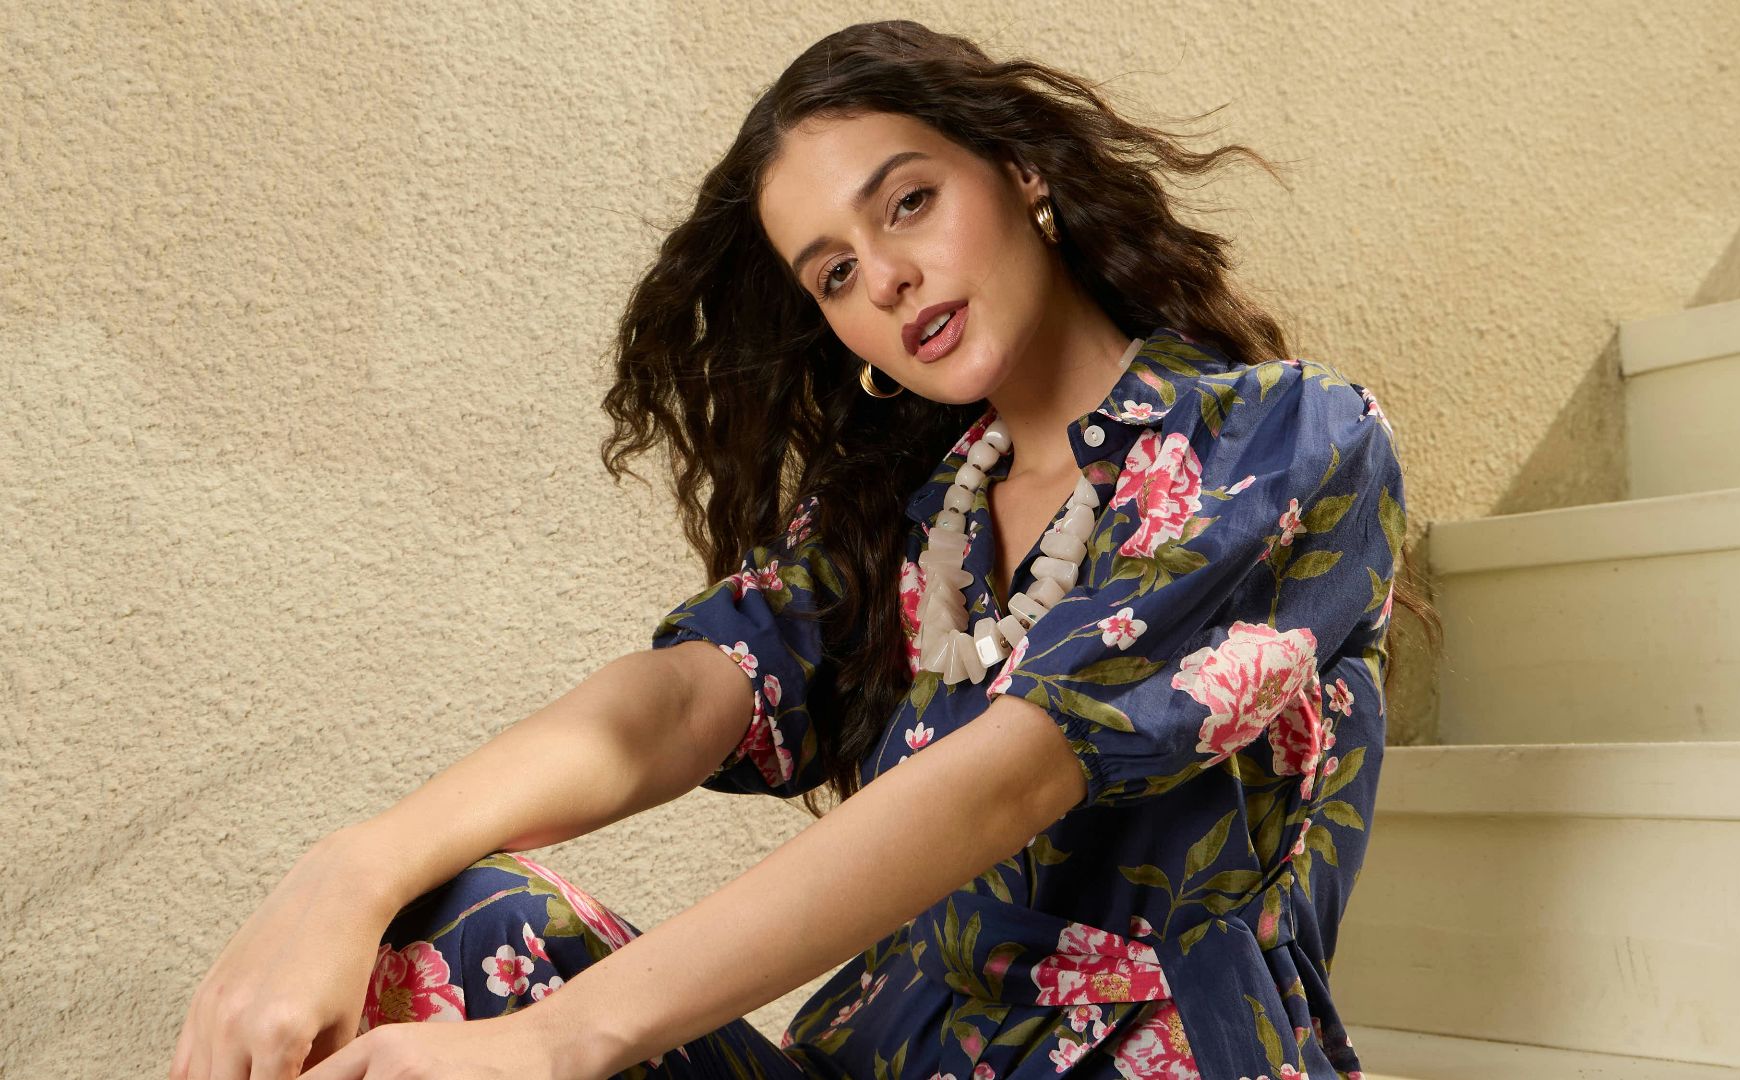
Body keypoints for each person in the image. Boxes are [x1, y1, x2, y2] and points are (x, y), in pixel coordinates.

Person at [172, 19, 1437, 1080]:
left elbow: (1013, 777)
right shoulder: (920, 518)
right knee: (465, 914)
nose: (884, 278)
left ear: (1024, 174)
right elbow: (669, 708)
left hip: (1155, 1059)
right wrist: (351, 866)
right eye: (834, 272)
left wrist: (563, 1043)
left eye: (910, 202)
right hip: (873, 1056)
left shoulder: (1283, 441)